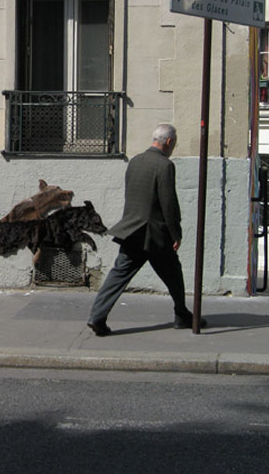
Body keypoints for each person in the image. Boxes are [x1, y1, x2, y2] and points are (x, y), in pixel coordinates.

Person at [87, 123, 204, 336]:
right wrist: (175, 233)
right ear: (169, 142)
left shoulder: (135, 161)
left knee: (118, 275)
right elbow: (168, 203)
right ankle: (181, 315)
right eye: (174, 144)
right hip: (155, 235)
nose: (173, 148)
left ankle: (97, 316)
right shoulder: (164, 165)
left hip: (131, 231)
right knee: (174, 275)